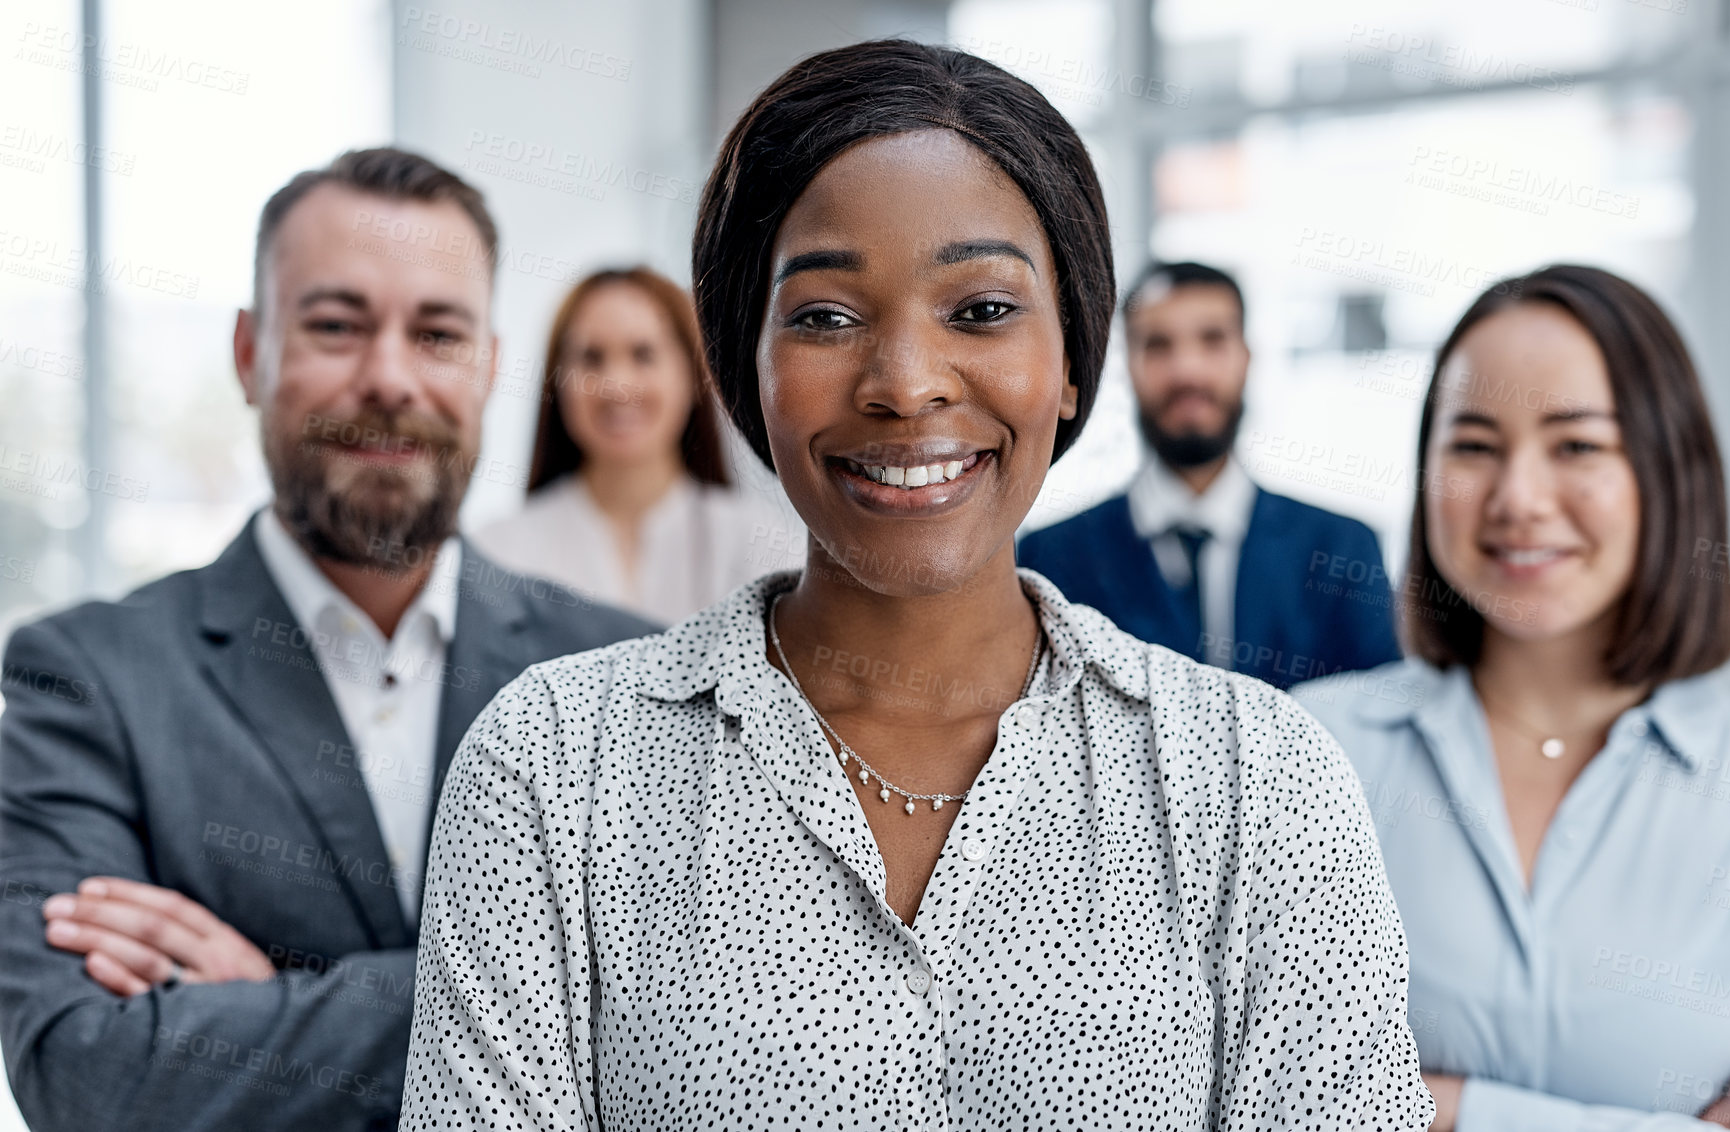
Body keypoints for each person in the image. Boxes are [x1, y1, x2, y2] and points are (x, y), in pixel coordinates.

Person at [404, 40, 1432, 1130]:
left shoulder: (1257, 782)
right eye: (824, 316)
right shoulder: (553, 767)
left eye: (980, 309)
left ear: (1073, 357)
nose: (904, 383)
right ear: (745, 369)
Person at [0, 148, 654, 1132]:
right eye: (337, 326)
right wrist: (554, 999)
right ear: (249, 353)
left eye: (436, 332)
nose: (388, 377)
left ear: (487, 365)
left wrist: (253, 1018)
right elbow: (85, 1072)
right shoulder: (88, 679)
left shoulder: (631, 676)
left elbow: (711, 1029)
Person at [1292, 264, 1730, 1129]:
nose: (1518, 499)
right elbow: (1263, 1097)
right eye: (1473, 445)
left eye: (1576, 445)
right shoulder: (1309, 753)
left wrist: (1437, 1105)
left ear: (1668, 470)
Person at [1017, 261, 1399, 689]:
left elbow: (1377, 735)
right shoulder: (1049, 559)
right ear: (1128, 368)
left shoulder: (1342, 553)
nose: (1187, 371)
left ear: (1246, 358)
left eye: (1212, 340)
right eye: (1158, 345)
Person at [474, 267, 801, 624]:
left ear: (693, 376)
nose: (617, 385)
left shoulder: (764, 546)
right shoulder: (498, 553)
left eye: (643, 354)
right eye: (591, 358)